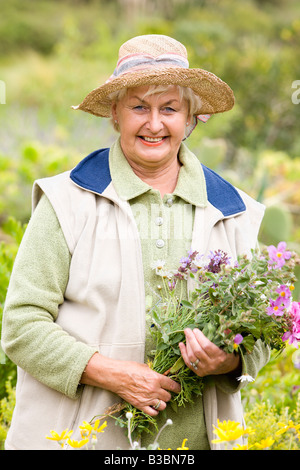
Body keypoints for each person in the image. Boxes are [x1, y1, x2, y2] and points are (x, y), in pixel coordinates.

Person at [1, 34, 269, 450]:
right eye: (139, 107)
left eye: (170, 109)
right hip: (83, 441)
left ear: (192, 117)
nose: (155, 124)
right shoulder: (68, 201)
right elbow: (22, 325)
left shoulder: (232, 212)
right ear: (115, 113)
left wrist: (230, 359)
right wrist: (111, 373)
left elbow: (261, 331)